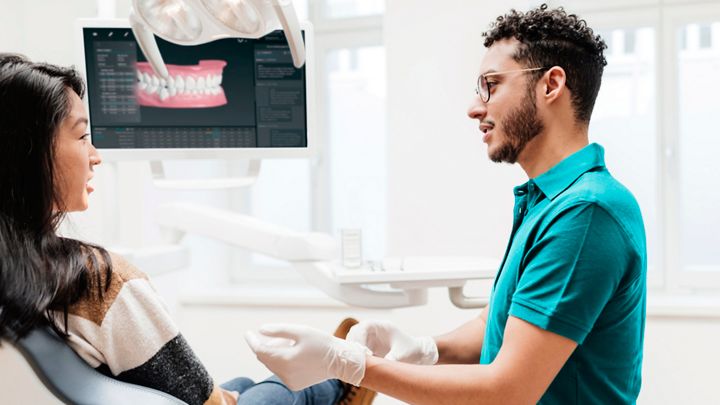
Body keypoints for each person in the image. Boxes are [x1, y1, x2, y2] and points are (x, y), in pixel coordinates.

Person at [246, 4, 647, 404]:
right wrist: (426, 348)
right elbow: (499, 325)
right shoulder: (548, 201)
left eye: (491, 84)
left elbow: (509, 390)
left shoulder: (585, 213)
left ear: (550, 85)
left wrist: (348, 365)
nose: (475, 107)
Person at [0, 53, 373, 405]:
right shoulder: (97, 283)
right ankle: (337, 378)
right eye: (82, 137)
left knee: (241, 387)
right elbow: (205, 401)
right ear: (27, 153)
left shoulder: (18, 279)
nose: (96, 155)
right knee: (266, 393)